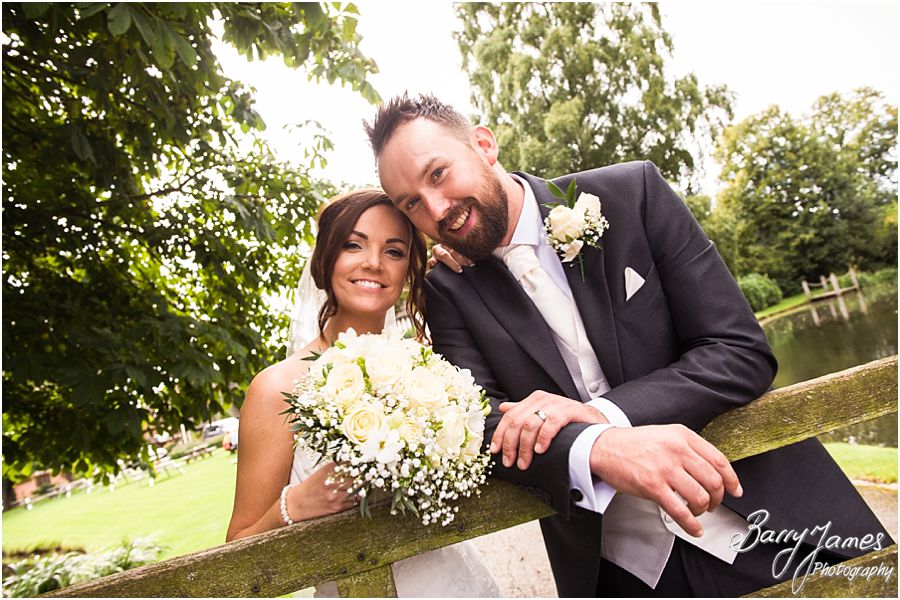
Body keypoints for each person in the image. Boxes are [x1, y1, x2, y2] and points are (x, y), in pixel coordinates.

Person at [365, 94, 890, 597]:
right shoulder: (445, 289)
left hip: (777, 528)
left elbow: (738, 350)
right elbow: (482, 427)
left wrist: (606, 418)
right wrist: (598, 448)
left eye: (439, 174)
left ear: (483, 145)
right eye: (412, 203)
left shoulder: (631, 193)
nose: (437, 209)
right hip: (620, 573)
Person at [225, 188, 501, 598]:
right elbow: (235, 556)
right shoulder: (277, 387)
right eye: (353, 245)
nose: (373, 262)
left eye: (394, 251)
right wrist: (294, 505)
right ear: (325, 259)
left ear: (409, 269)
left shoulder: (430, 370)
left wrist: (469, 271)